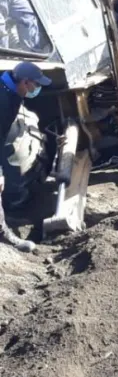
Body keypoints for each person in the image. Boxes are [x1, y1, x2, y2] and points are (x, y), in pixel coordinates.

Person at [0, 61, 50, 252]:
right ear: (25, 82)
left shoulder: (11, 91)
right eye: (36, 85)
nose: (37, 89)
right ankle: (3, 235)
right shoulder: (3, 100)